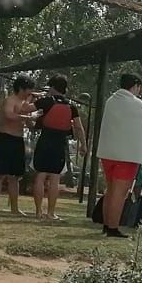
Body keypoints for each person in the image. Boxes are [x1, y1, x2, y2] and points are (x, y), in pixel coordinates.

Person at [96, 71, 142, 238]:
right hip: (127, 155)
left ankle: (106, 225)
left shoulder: (111, 101)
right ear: (135, 86)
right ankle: (113, 227)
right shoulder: (137, 104)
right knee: (120, 192)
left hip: (108, 152)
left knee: (110, 190)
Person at [31, 75, 85, 220]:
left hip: (45, 140)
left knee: (40, 176)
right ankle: (51, 213)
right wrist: (83, 145)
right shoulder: (71, 106)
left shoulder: (46, 101)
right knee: (55, 178)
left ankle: (38, 212)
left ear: (52, 87)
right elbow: (79, 128)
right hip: (60, 142)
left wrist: (33, 97)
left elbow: (26, 108)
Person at [0, 74, 34, 214]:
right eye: (28, 90)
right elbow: (9, 115)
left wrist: (33, 117)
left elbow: (30, 124)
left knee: (15, 177)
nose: (30, 93)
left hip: (18, 141)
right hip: (5, 139)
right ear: (21, 88)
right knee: (0, 175)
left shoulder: (26, 104)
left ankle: (14, 208)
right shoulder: (10, 100)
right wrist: (25, 115)